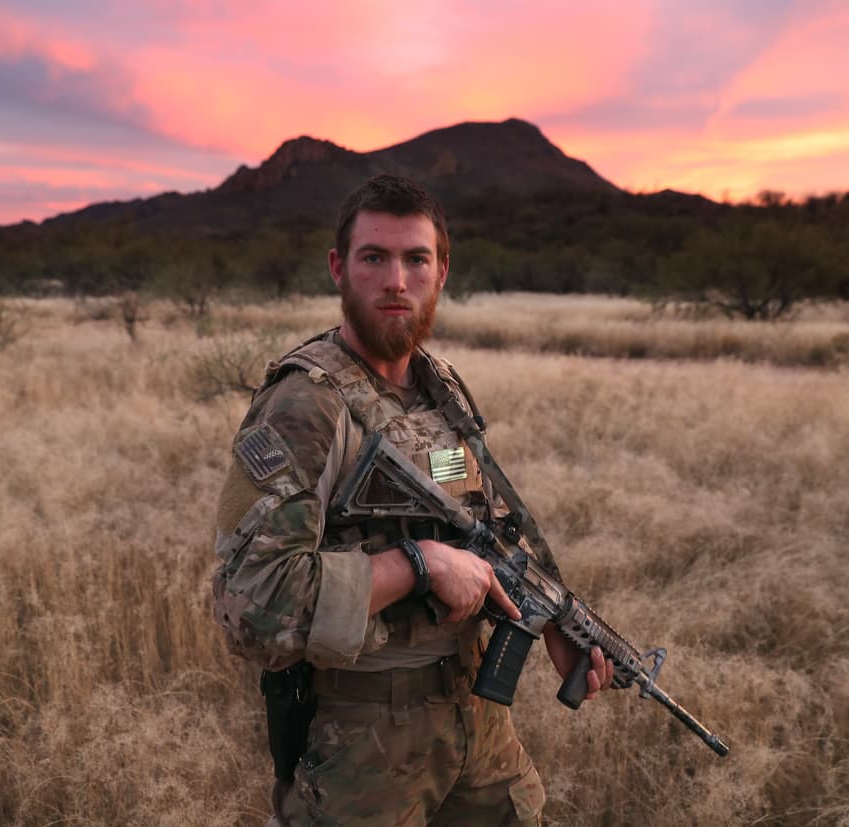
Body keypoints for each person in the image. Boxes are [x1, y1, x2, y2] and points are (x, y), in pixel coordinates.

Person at [212, 175, 612, 826]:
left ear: (442, 270)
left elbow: (475, 523)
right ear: (340, 269)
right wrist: (416, 565)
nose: (396, 279)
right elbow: (250, 605)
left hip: (477, 721)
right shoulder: (304, 406)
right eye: (375, 257)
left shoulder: (442, 387)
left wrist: (546, 621)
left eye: (416, 258)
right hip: (363, 736)